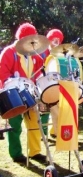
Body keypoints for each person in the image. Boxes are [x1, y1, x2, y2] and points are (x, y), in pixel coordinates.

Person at [0, 22, 46, 162]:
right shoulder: (9, 52)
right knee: (14, 125)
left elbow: (38, 73)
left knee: (35, 123)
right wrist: (14, 82)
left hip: (30, 92)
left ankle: (34, 152)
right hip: (13, 94)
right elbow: (2, 73)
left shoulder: (34, 55)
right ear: (21, 39)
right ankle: (16, 153)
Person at [40, 29, 64, 138]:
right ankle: (43, 133)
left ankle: (54, 131)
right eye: (54, 39)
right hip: (43, 84)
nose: (56, 42)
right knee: (44, 111)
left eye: (58, 40)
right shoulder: (42, 52)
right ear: (49, 40)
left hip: (56, 84)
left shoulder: (59, 55)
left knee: (57, 108)